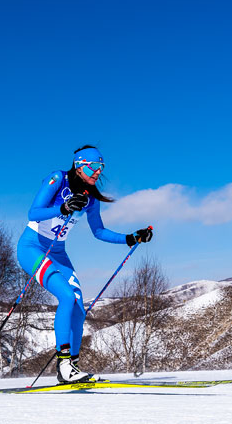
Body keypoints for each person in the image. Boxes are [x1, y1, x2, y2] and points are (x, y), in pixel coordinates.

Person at [17, 145, 153, 383]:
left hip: (58, 252)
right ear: (80, 165)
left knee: (79, 310)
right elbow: (33, 213)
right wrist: (63, 207)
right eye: (95, 167)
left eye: (102, 167)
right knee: (67, 297)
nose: (99, 172)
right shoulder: (57, 179)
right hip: (33, 247)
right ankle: (64, 366)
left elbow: (98, 231)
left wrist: (130, 238)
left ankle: (73, 368)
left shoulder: (91, 199)